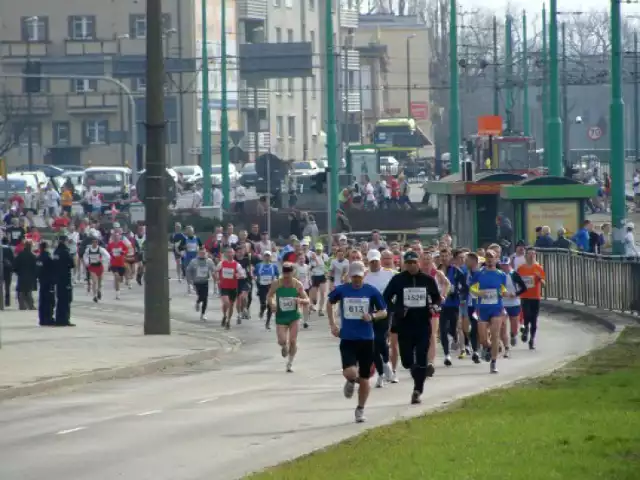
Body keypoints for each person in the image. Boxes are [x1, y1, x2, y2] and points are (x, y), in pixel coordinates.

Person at [327, 261, 387, 423]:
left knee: (365, 378)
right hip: (347, 338)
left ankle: (360, 409)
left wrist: (372, 316)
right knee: (351, 373)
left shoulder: (371, 291)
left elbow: (384, 311)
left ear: (364, 275)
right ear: (350, 276)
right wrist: (333, 324)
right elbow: (329, 302)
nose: (357, 280)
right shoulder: (342, 290)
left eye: (359, 277)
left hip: (367, 339)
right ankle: (350, 380)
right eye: (354, 276)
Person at [383, 251, 441, 404]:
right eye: (408, 263)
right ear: (404, 264)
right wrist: (398, 308)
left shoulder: (427, 280)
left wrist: (434, 306)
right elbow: (386, 298)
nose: (411, 266)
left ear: (419, 262)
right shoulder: (398, 280)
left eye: (414, 263)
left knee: (422, 357)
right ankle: (417, 372)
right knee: (407, 360)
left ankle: (417, 390)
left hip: (422, 324)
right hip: (404, 324)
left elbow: (437, 298)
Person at [469, 250, 510, 373]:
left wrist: (504, 293)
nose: (490, 260)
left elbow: (503, 290)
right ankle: (486, 348)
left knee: (495, 334)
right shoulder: (479, 274)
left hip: (496, 307)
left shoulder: (501, 274)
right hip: (483, 308)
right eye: (487, 257)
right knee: (483, 339)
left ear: (497, 259)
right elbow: (471, 289)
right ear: (485, 260)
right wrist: (478, 293)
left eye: (492, 257)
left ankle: (493, 362)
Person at [267, 262, 310, 372]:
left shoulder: (297, 284)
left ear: (292, 273)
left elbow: (307, 300)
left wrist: (300, 300)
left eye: (288, 274)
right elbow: (270, 295)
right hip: (281, 316)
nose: (286, 277)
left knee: (293, 340)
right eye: (285, 274)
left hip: (294, 316)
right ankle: (284, 346)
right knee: (282, 340)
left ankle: (290, 363)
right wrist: (272, 304)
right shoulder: (276, 283)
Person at [363, 249, 395, 388]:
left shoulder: (389, 273)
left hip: (385, 311)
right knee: (373, 344)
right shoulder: (365, 276)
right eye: (372, 262)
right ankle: (381, 374)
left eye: (376, 261)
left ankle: (386, 362)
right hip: (370, 312)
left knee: (381, 339)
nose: (374, 264)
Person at [517, 247, 546, 350]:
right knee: (527, 315)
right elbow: (516, 281)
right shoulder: (521, 268)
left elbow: (544, 284)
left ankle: (532, 340)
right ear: (526, 256)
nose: (532, 256)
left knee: (534, 319)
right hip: (525, 296)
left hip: (535, 296)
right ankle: (525, 330)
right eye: (530, 254)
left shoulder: (539, 268)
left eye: (533, 254)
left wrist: (539, 278)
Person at [498, 257, 527, 353]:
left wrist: (515, 294)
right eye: (502, 265)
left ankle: (513, 335)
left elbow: (524, 288)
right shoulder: (498, 275)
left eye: (506, 265)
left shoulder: (514, 274)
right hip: (503, 303)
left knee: (514, 326)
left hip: (514, 303)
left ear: (509, 264)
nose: (504, 267)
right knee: (502, 325)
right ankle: (502, 343)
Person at [217, 246, 245, 330]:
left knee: (231, 305)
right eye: (228, 252)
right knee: (226, 303)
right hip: (224, 286)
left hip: (233, 287)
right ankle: (225, 315)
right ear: (225, 254)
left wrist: (238, 275)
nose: (230, 254)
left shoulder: (237, 265)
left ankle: (228, 321)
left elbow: (243, 275)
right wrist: (217, 279)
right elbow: (215, 271)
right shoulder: (222, 263)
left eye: (231, 252)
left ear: (234, 254)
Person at [186, 246, 216, 321]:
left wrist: (216, 278)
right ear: (198, 253)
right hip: (196, 282)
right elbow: (188, 270)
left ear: (206, 253)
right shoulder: (194, 261)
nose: (203, 254)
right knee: (201, 296)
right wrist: (190, 282)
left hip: (205, 282)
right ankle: (198, 302)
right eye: (201, 253)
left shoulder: (209, 261)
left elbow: (214, 270)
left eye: (204, 253)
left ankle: (202, 314)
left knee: (205, 298)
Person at [53, 234, 76, 326]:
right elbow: (72, 264)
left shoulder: (56, 252)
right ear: (64, 241)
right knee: (66, 300)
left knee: (59, 299)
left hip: (58, 278)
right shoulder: (65, 252)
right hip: (65, 278)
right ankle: (65, 319)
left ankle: (59, 319)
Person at [255, 251, 280, 330]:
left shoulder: (274, 266)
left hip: (270, 287)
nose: (267, 257)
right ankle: (262, 310)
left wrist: (276, 282)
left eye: (268, 256)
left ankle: (268, 322)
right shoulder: (259, 265)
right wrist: (257, 280)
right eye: (265, 256)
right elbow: (254, 274)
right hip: (261, 287)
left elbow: (278, 275)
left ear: (270, 257)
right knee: (263, 304)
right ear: (263, 257)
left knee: (270, 305)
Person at [83, 235, 110, 303]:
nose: (95, 243)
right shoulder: (88, 249)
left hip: (99, 267)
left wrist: (102, 260)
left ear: (98, 242)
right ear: (91, 243)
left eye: (96, 242)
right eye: (93, 242)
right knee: (94, 282)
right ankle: (94, 296)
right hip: (92, 267)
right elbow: (85, 256)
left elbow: (108, 256)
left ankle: (99, 291)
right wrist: (87, 262)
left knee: (100, 282)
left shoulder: (101, 249)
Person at [36, 241, 56, 326]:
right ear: (46, 247)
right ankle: (48, 319)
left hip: (42, 281)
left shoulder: (38, 258)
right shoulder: (48, 257)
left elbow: (37, 270)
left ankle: (42, 319)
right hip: (48, 282)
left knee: (42, 300)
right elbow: (53, 269)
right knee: (49, 301)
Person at [13, 240, 37, 310]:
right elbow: (35, 268)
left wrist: (18, 272)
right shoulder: (33, 256)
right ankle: (30, 306)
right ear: (30, 247)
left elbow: (15, 266)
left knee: (21, 291)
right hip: (30, 276)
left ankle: (22, 306)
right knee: (29, 291)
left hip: (21, 275)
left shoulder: (20, 255)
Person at [2, 236, 14, 307]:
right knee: (7, 287)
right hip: (8, 271)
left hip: (1, 270)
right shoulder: (9, 250)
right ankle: (7, 302)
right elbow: (12, 260)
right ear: (7, 242)